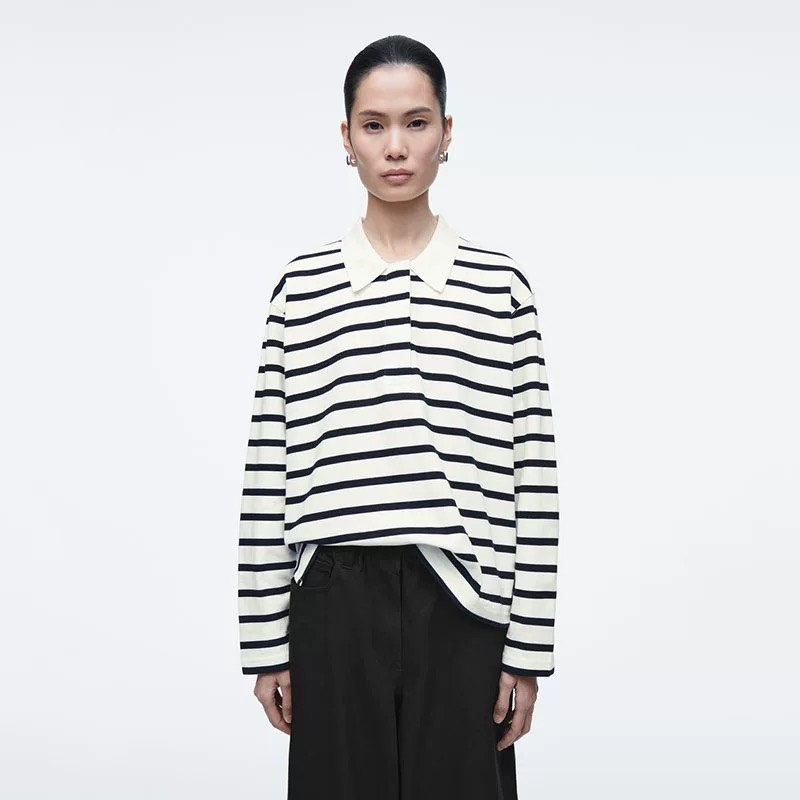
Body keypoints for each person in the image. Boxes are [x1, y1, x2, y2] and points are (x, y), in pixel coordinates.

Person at [237, 34, 560, 800]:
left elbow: (534, 475)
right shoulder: (301, 290)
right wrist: (266, 642)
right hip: (332, 601)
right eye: (374, 124)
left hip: (464, 599)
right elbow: (268, 468)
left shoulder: (499, 289)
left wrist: (527, 651)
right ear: (346, 138)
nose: (395, 146)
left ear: (447, 132)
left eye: (416, 122)